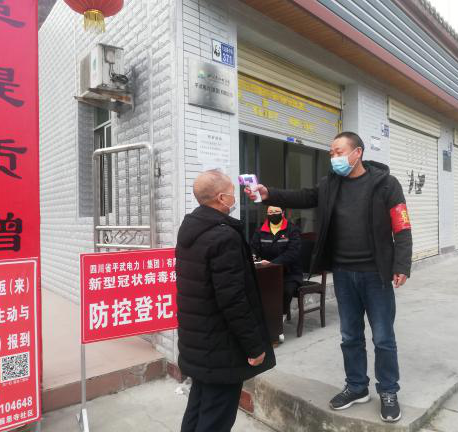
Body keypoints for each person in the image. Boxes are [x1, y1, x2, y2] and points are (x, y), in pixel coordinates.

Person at [244, 132, 412, 423]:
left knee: (383, 337)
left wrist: (402, 265)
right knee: (350, 336)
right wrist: (268, 193)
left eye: (339, 151)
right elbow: (304, 196)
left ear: (357, 152)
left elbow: (402, 226)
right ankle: (357, 387)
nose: (334, 157)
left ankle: (388, 391)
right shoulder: (330, 183)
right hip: (343, 273)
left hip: (376, 275)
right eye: (331, 153)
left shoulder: (386, 184)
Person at [176, 169, 276, 432]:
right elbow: (233, 300)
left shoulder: (191, 229)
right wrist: (254, 347)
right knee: (216, 418)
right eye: (232, 192)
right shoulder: (223, 236)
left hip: (200, 341)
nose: (235, 197)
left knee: (198, 406)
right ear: (221, 198)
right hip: (222, 347)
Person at [250, 206, 303, 341]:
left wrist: (273, 263)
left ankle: (278, 324)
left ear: (282, 213)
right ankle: (264, 322)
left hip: (290, 273)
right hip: (267, 273)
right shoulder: (260, 230)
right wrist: (253, 256)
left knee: (285, 291)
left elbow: (293, 253)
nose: (273, 214)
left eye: (276, 212)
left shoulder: (292, 230)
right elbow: (254, 247)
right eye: (270, 212)